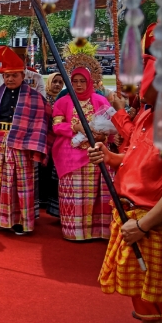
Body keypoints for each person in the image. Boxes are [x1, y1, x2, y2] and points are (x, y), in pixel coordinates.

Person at [88, 54, 162, 323]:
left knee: (161, 309)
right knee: (145, 309)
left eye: (143, 79)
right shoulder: (146, 116)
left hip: (151, 225)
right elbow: (132, 159)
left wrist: (143, 225)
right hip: (128, 218)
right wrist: (109, 157)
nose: (137, 84)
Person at [0, 47, 52, 235]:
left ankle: (20, 221)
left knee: (21, 184)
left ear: (23, 75)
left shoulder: (34, 97)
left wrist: (32, 140)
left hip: (23, 146)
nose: (10, 79)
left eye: (14, 75)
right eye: (7, 76)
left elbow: (44, 118)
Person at [52, 68, 112, 240]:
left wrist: (103, 136)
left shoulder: (101, 100)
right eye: (75, 81)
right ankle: (75, 232)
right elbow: (56, 126)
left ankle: (97, 231)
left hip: (95, 155)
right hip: (70, 155)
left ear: (89, 82)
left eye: (82, 81)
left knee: (96, 193)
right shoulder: (62, 102)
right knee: (74, 195)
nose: (78, 85)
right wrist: (74, 127)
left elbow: (112, 127)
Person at [40, 72, 64, 218]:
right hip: (45, 138)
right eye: (54, 81)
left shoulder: (65, 99)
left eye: (60, 82)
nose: (57, 85)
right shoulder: (43, 99)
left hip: (60, 140)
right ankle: (42, 200)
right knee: (44, 169)